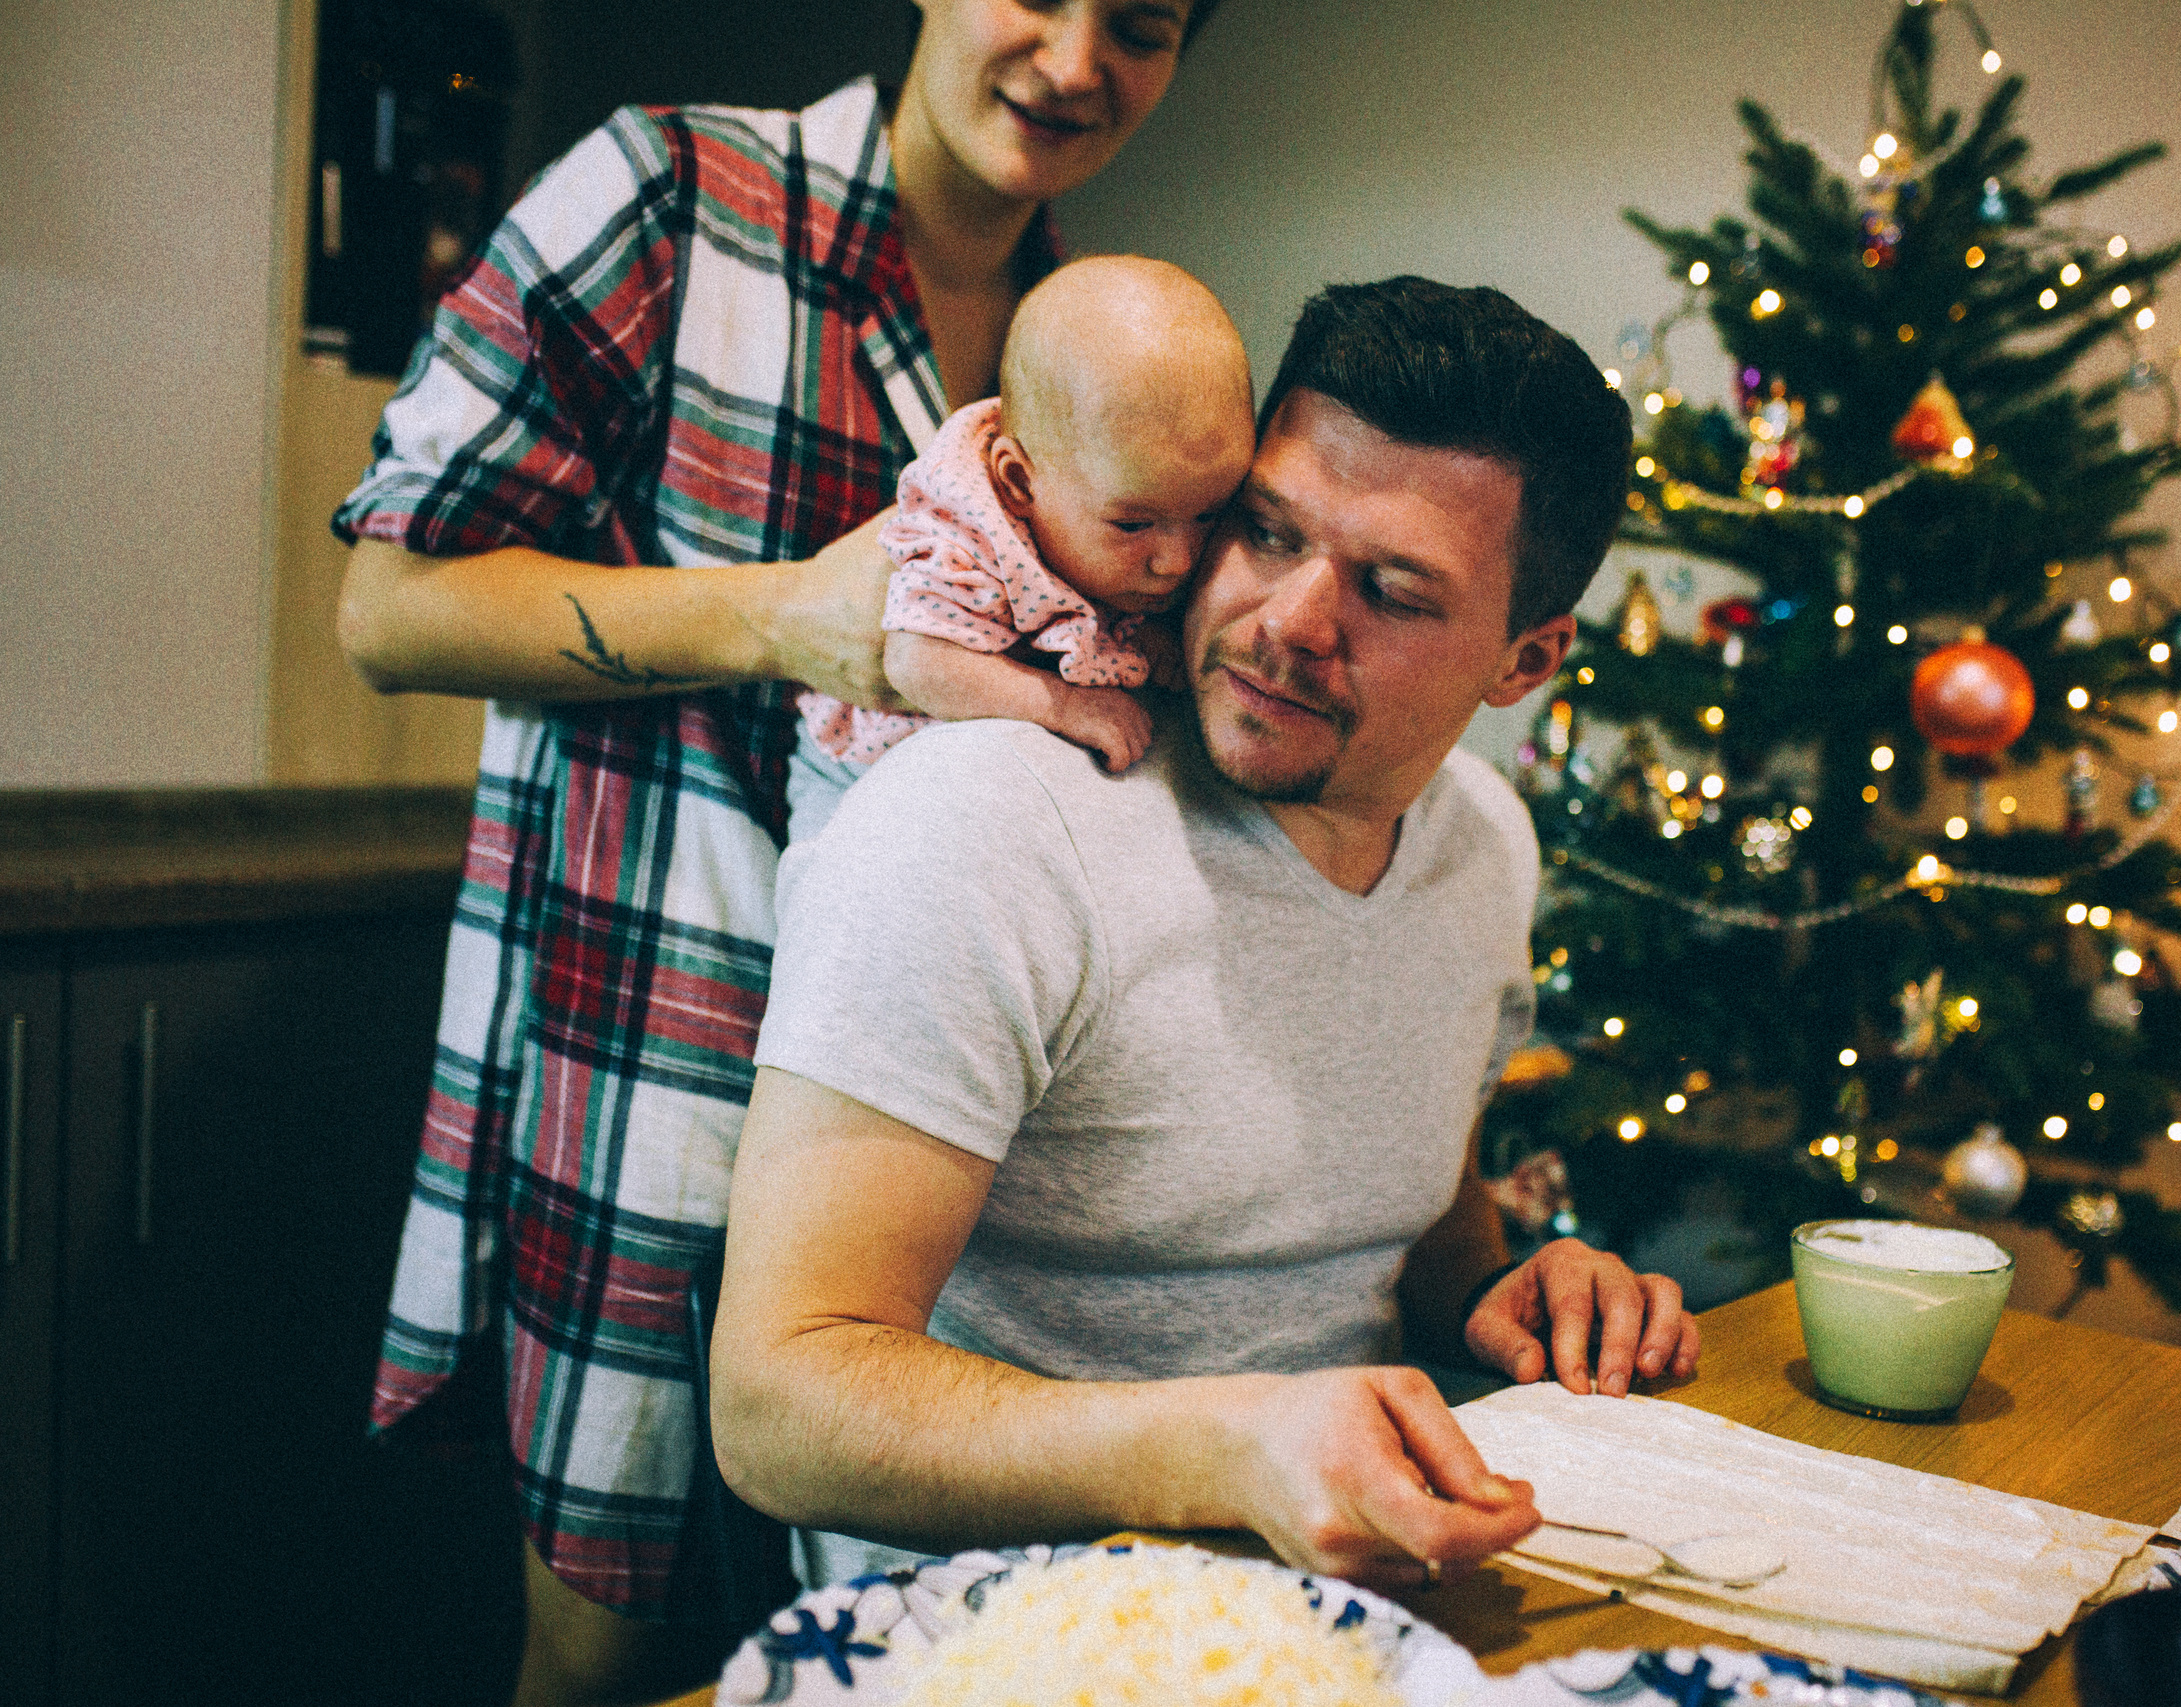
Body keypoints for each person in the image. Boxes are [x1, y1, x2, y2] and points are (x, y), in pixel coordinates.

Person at [330, 3, 1219, 1700]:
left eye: (1149, 23)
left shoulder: (1101, 345)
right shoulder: (671, 198)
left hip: (939, 1141)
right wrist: (792, 619)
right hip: (657, 1069)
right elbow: (389, 603)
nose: (1079, 56)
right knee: (616, 1664)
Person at [711, 277, 1701, 1590]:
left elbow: (1410, 1216)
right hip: (995, 1632)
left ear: (1524, 660)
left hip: (1368, 1598)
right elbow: (781, 1405)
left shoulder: (1486, 844)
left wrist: (1497, 1289)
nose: (1288, 620)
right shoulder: (986, 821)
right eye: (1269, 530)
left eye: (1393, 589)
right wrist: (1223, 1445)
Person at [789, 254, 1254, 839]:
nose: (1177, 561)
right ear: (1018, 482)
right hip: (854, 773)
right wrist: (1066, 706)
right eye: (1134, 526)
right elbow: (916, 662)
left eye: (1209, 514)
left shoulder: (1111, 506)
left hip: (989, 800)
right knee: (842, 888)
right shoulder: (969, 534)